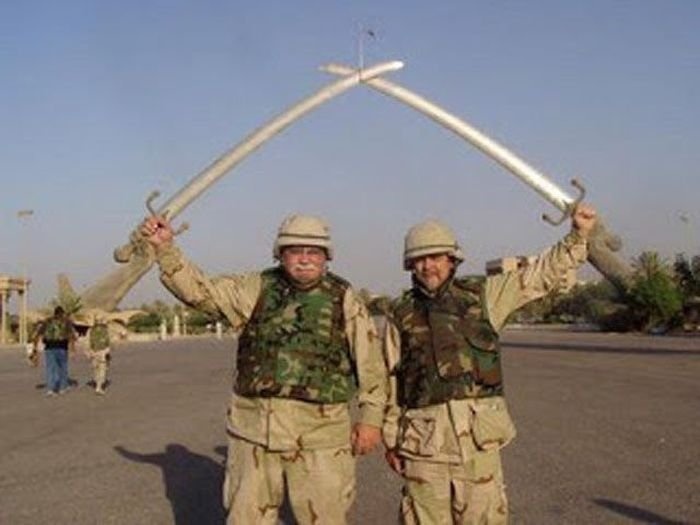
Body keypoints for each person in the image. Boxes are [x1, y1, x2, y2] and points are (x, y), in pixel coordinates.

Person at [140, 213, 387, 524]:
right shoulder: (255, 287)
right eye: (295, 251)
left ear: (327, 257)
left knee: (326, 517)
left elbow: (370, 363)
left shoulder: (344, 298)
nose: (305, 259)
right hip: (254, 432)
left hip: (320, 434)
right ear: (280, 254)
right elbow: (201, 293)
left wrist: (371, 419)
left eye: (314, 252)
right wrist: (165, 249)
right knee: (247, 518)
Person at [382, 204, 597, 524]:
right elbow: (388, 378)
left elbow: (538, 275)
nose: (428, 266)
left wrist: (577, 235)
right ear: (410, 265)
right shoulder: (399, 312)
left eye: (435, 257)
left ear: (451, 259)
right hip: (423, 450)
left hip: (478, 446)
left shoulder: (485, 295)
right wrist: (391, 440)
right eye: (419, 259)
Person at [33, 306, 76, 397]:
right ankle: (62, 388)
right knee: (63, 368)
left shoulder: (47, 321)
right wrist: (72, 349)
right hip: (62, 348)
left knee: (50, 369)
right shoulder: (66, 321)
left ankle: (50, 389)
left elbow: (38, 334)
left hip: (49, 348)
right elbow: (71, 336)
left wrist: (35, 348)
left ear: (54, 313)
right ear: (62, 313)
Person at [86, 317, 111, 395]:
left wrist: (89, 352)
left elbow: (87, 342)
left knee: (99, 369)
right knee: (99, 370)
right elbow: (109, 342)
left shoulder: (92, 331)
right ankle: (98, 385)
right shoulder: (104, 330)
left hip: (98, 352)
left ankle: (98, 386)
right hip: (99, 352)